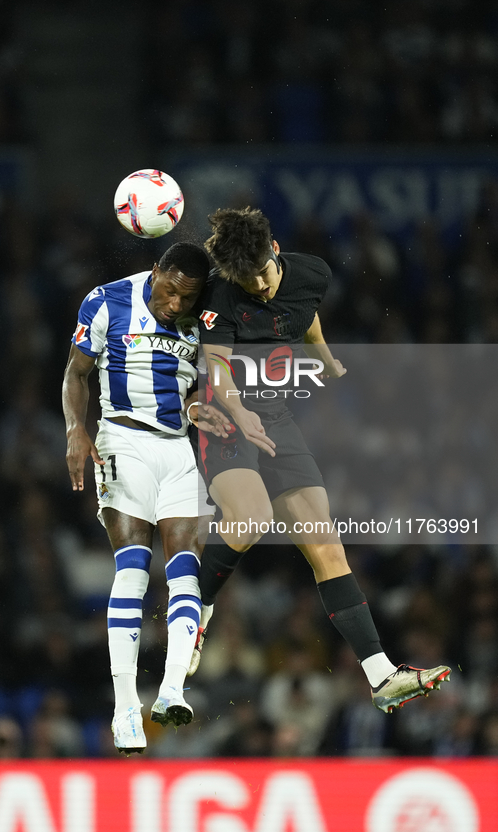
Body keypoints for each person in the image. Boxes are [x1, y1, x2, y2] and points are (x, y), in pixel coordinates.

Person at [191, 207, 451, 713]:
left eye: (263, 277)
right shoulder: (222, 295)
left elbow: (303, 312)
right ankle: (194, 610)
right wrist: (240, 411)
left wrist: (326, 359)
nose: (261, 290)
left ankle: (382, 676)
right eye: (249, 284)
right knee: (250, 519)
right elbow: (218, 365)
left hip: (275, 414)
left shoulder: (313, 272)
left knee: (329, 548)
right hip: (222, 413)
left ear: (277, 253)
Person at [63, 242, 229, 755]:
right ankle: (125, 709)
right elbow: (77, 372)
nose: (175, 304)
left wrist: (201, 407)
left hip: (178, 448)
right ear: (155, 272)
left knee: (186, 570)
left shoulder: (204, 317)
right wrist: (75, 429)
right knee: (133, 569)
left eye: (187, 296)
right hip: (122, 439)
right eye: (169, 290)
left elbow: (203, 384)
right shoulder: (106, 301)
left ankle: (173, 690)